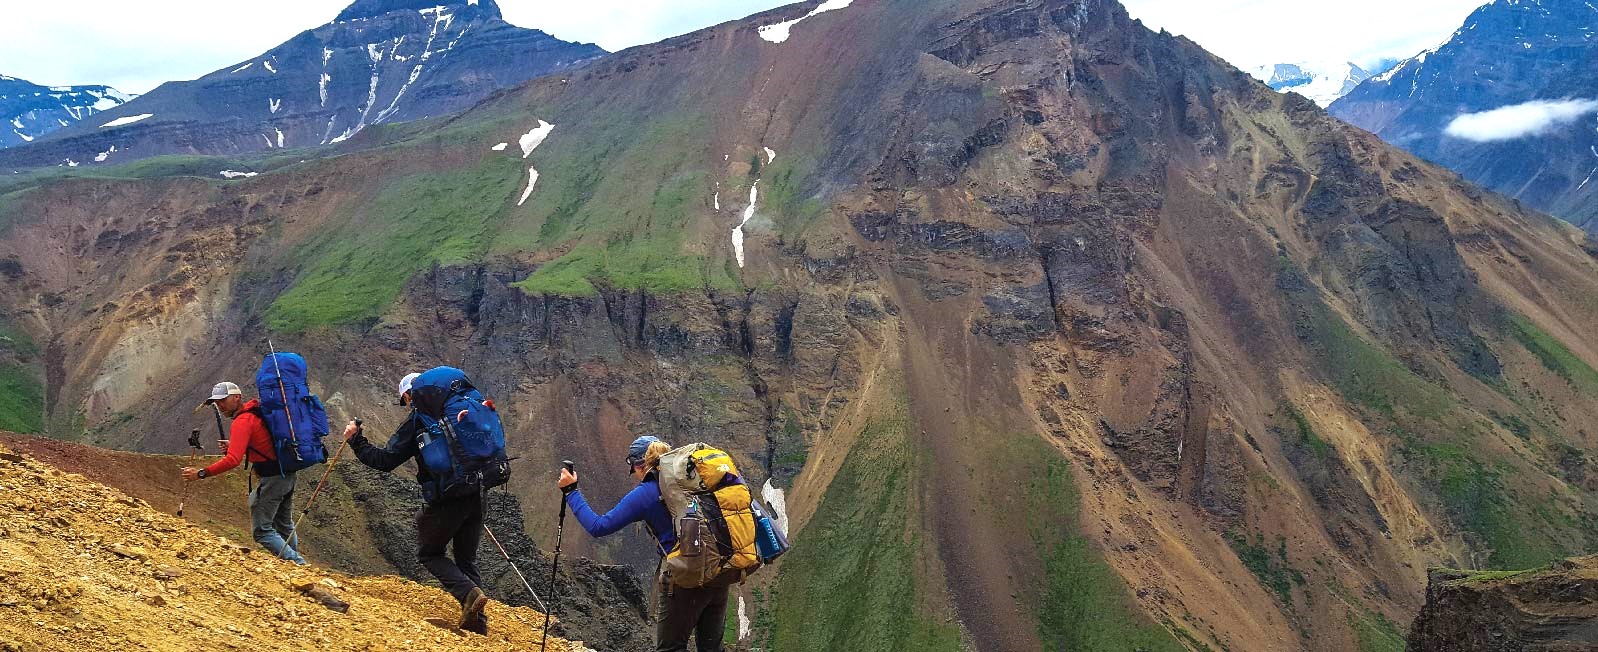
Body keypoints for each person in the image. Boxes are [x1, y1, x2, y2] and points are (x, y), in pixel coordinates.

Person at [340, 372, 491, 635]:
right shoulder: (461, 410)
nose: (407, 403)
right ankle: (478, 623)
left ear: (411, 394)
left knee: (429, 553)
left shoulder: (417, 422)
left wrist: (356, 440)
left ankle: (468, 594)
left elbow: (385, 461)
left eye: (405, 399)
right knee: (466, 558)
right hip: (478, 490)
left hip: (448, 497)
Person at [559, 435, 729, 652]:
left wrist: (571, 492)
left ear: (640, 466)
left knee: (671, 648)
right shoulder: (693, 479)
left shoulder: (646, 494)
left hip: (684, 578)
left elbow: (598, 527)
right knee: (712, 648)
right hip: (719, 569)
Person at [181, 381, 307, 565]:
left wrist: (201, 473)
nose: (220, 405)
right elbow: (263, 442)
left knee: (262, 531)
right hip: (286, 473)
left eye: (223, 400)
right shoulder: (255, 411)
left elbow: (232, 460)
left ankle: (298, 564)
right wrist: (235, 445)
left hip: (272, 478)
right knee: (283, 523)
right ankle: (297, 566)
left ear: (236, 397)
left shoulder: (242, 421)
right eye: (217, 402)